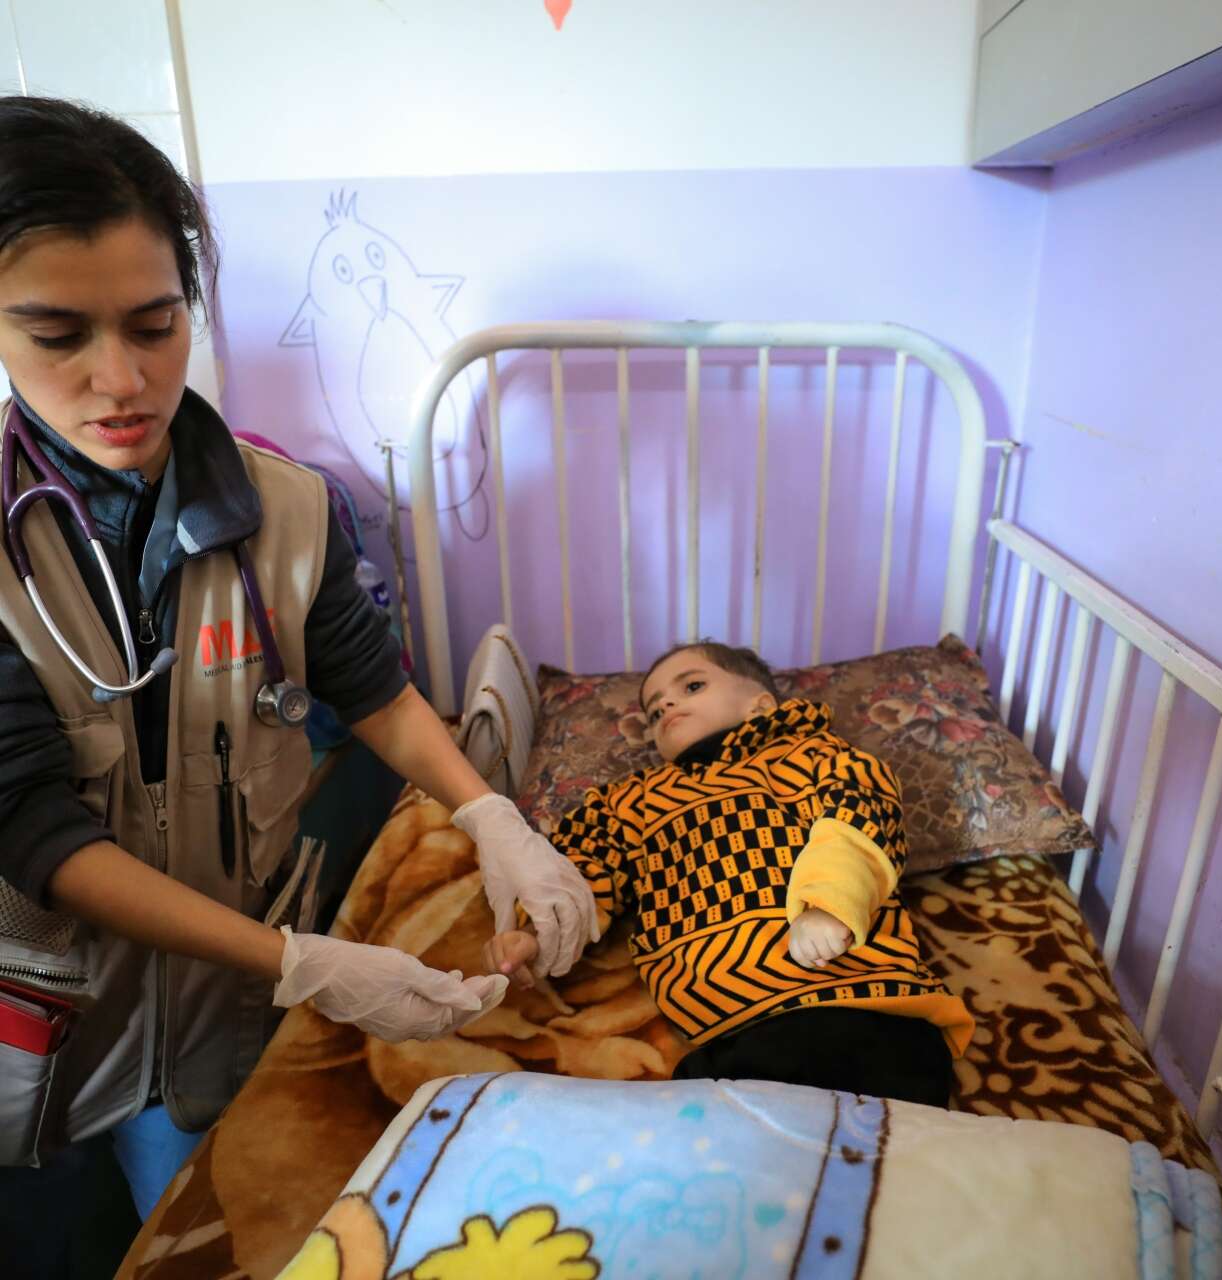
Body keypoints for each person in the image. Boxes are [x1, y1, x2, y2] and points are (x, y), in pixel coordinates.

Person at [0, 95, 592, 1270]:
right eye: (57, 334)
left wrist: (489, 814)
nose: (121, 379)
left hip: (216, 1024)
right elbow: (33, 826)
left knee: (203, 1240)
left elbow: (376, 693)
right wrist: (306, 962)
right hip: (43, 1030)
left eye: (156, 323)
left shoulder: (289, 512)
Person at [485, 640, 975, 1105]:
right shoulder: (629, 803)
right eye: (654, 711)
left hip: (861, 1001)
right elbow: (582, 869)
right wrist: (535, 932)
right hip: (729, 1028)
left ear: (759, 705)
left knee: (889, 1159)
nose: (668, 707)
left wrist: (829, 904)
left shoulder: (812, 755)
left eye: (692, 687)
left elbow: (860, 818)